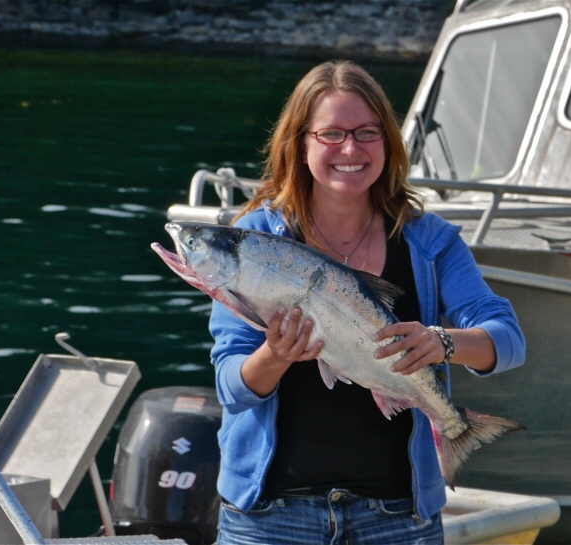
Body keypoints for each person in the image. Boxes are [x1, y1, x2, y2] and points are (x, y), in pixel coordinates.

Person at [207, 59, 526, 545]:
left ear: (388, 142)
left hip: (398, 519)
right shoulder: (254, 241)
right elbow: (232, 386)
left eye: (367, 132)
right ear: (301, 142)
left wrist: (441, 342)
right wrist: (275, 356)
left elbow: (508, 340)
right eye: (331, 134)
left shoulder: (429, 241)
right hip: (271, 518)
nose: (351, 149)